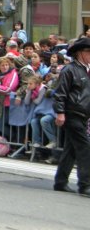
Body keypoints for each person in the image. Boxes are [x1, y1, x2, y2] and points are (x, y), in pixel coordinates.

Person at [52, 37, 90, 196]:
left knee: (71, 150)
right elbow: (60, 94)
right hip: (72, 112)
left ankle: (60, 181)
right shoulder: (70, 70)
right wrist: (60, 112)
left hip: (81, 114)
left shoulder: (85, 70)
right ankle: (85, 184)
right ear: (80, 53)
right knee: (85, 148)